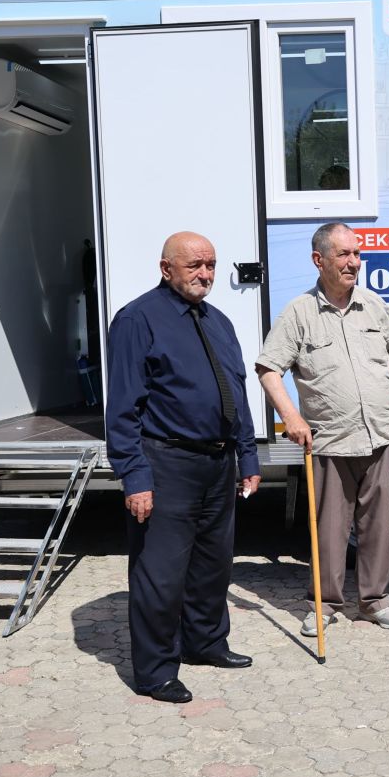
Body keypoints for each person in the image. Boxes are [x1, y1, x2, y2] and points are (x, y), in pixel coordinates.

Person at [105, 232, 260, 704]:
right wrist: (135, 476)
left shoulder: (219, 321)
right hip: (166, 462)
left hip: (218, 463)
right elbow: (123, 408)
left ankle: (205, 642)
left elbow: (236, 393)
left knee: (213, 564)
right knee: (161, 573)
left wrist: (248, 455)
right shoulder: (137, 320)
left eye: (211, 265)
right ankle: (155, 671)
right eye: (195, 265)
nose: (205, 274)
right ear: (166, 268)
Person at [256, 223, 389, 636]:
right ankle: (324, 604)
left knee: (377, 527)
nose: (354, 262)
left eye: (357, 254)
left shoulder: (372, 304)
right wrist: (292, 417)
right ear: (319, 260)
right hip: (330, 440)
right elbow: (269, 369)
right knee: (329, 531)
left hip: (380, 436)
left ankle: (375, 602)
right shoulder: (299, 312)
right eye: (344, 254)